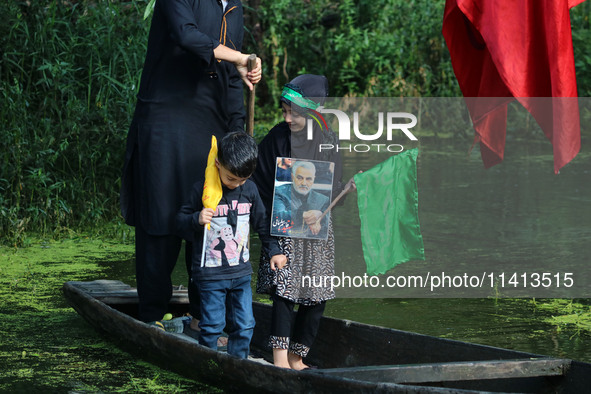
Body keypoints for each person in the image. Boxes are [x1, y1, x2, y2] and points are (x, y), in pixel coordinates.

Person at [119, 0, 262, 330]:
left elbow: (229, 77)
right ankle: (152, 316)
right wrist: (240, 57)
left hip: (210, 122)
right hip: (165, 116)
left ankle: (203, 316)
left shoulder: (235, 9)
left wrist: (237, 131)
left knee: (209, 214)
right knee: (160, 216)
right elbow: (186, 35)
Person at [252, 74, 355, 369]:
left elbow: (334, 192)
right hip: (282, 229)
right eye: (284, 111)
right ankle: (280, 361)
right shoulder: (276, 138)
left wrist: (347, 188)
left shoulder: (328, 140)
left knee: (316, 292)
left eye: (293, 113)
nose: (287, 118)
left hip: (318, 229)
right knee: (284, 292)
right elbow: (258, 189)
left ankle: (298, 358)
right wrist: (271, 244)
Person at [175, 132, 287, 358]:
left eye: (243, 179)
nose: (237, 184)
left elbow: (262, 224)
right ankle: (208, 362)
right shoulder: (201, 189)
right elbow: (179, 222)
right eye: (231, 178)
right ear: (218, 164)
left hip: (241, 273)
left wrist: (274, 251)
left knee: (245, 324)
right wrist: (196, 218)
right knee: (213, 325)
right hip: (210, 274)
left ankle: (239, 364)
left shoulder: (250, 191)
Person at [272, 160, 330, 238]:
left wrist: (320, 216)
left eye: (308, 179)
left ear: (314, 179)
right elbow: (277, 217)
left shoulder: (323, 199)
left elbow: (327, 224)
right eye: (300, 178)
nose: (304, 183)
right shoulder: (279, 192)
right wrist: (302, 214)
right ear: (293, 177)